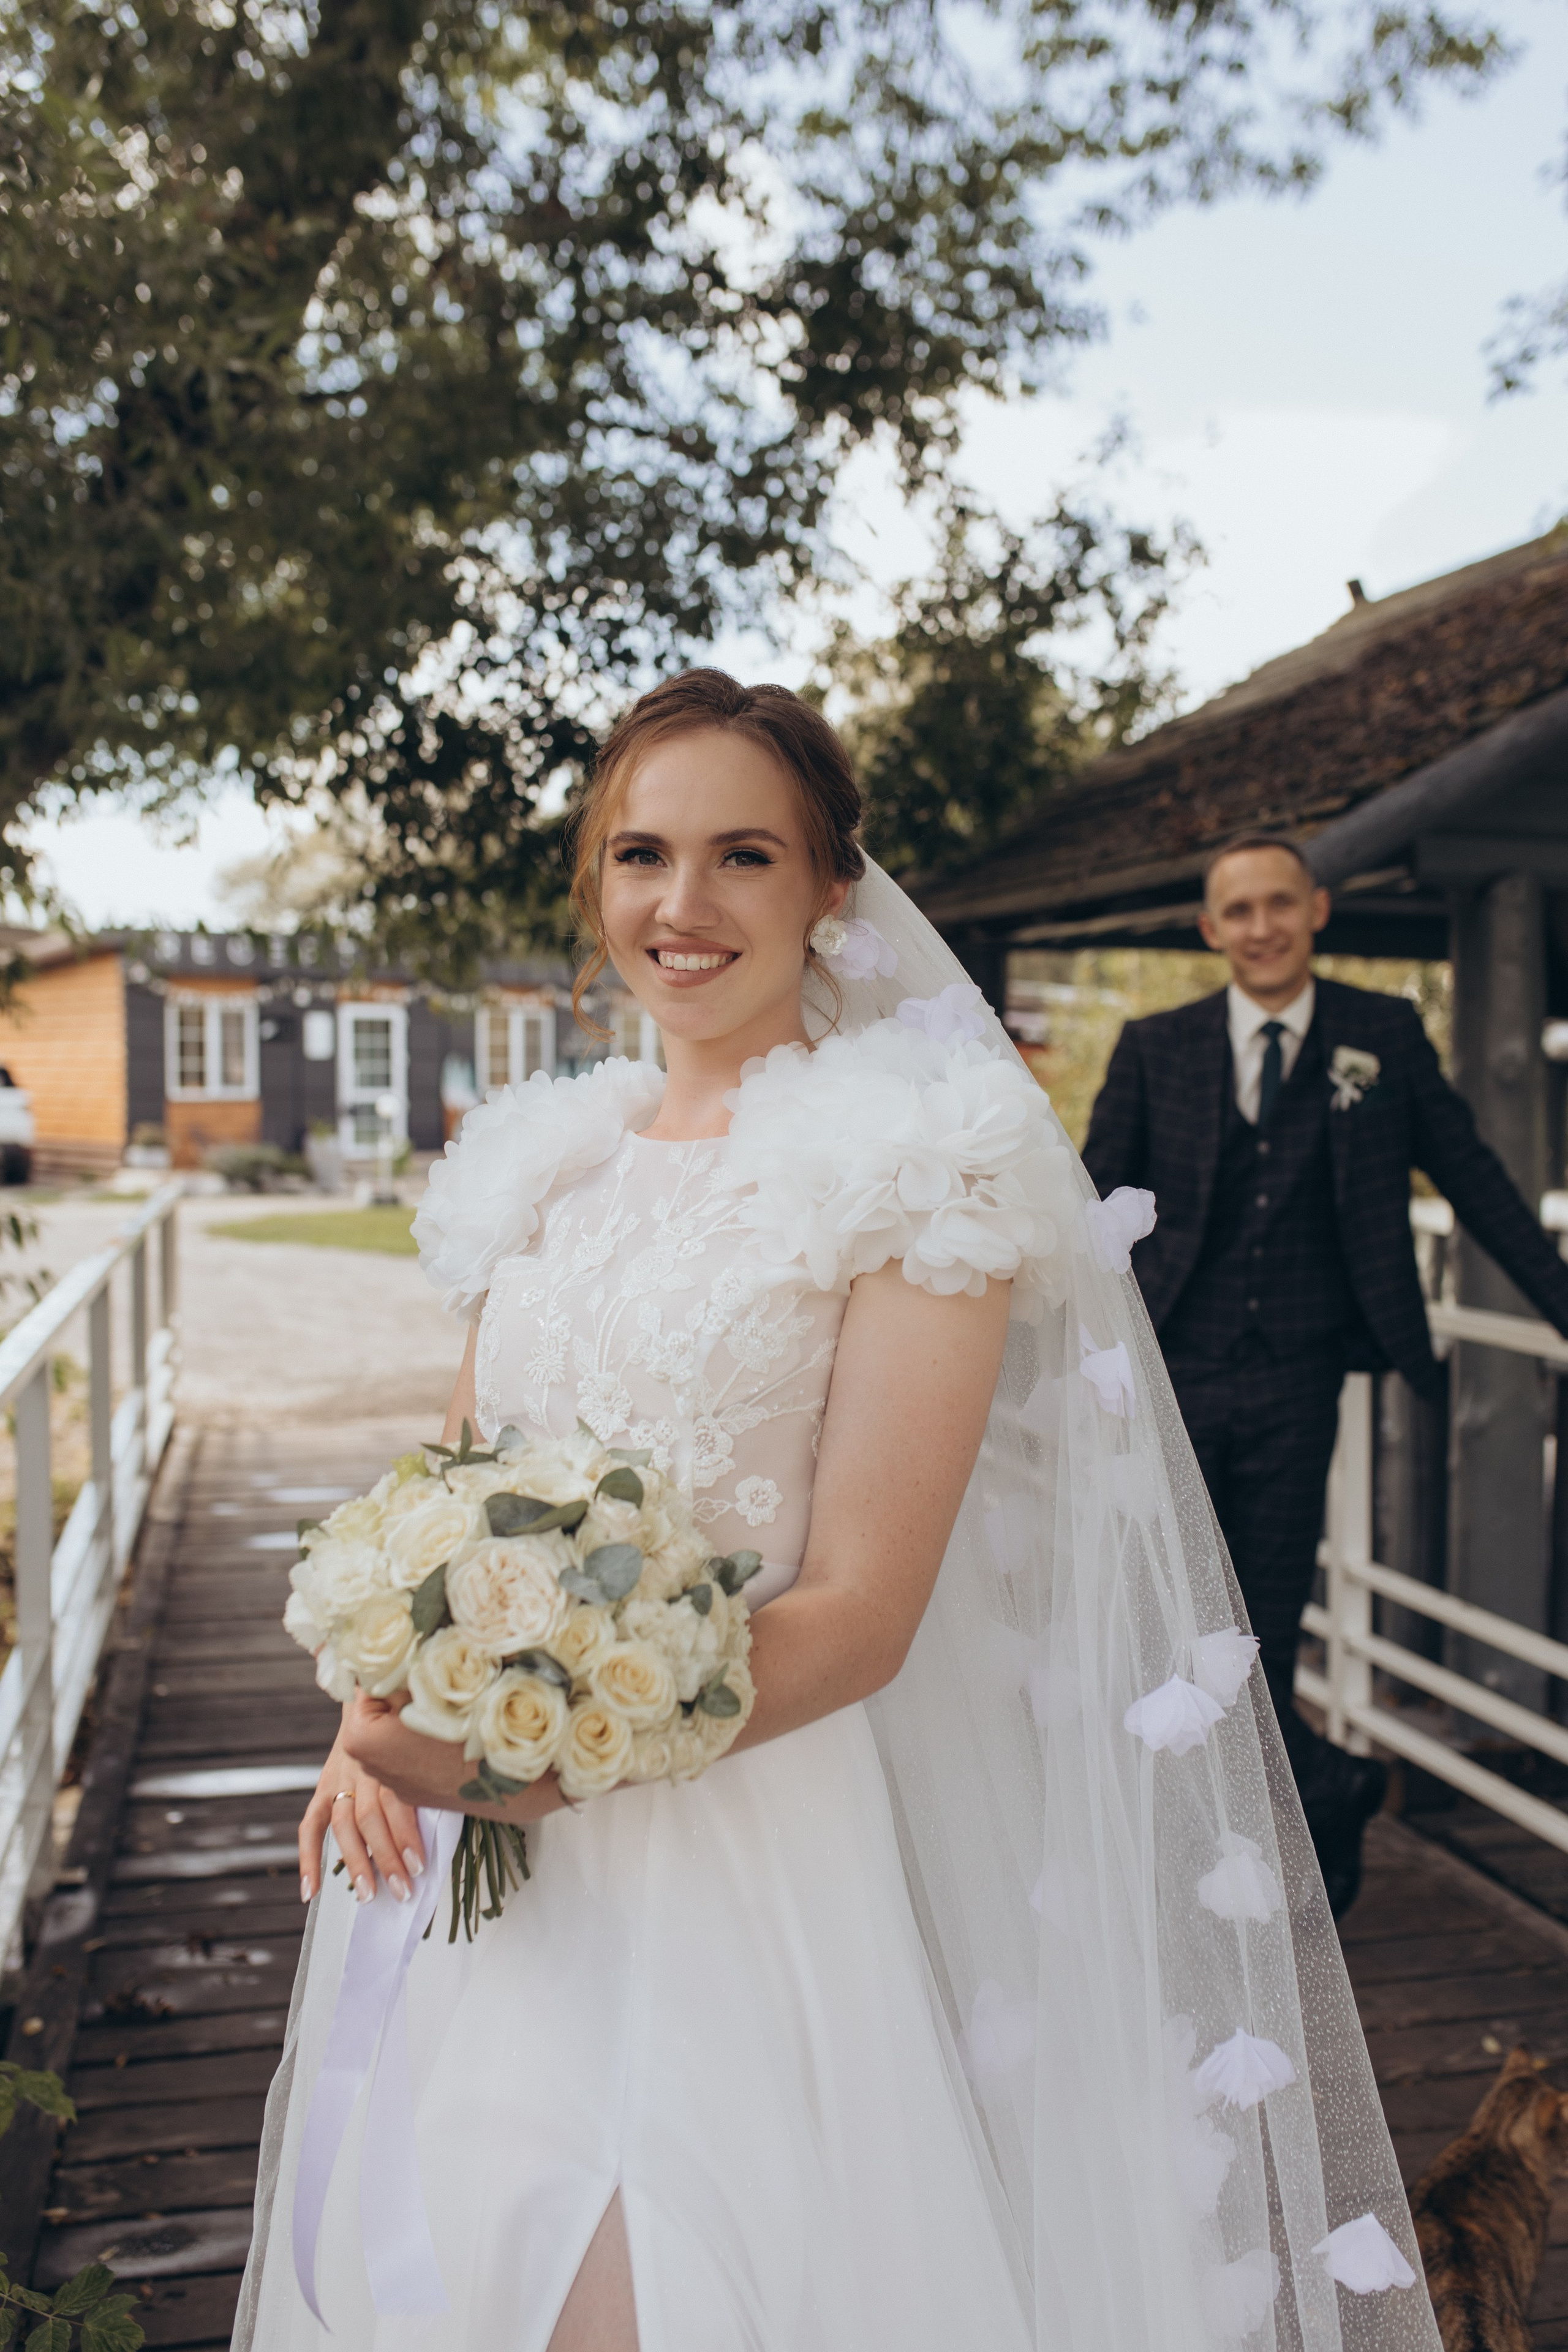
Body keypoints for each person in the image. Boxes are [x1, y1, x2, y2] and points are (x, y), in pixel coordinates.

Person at [235, 687, 1439, 2352]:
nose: (686, 904)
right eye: (644, 855)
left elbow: (864, 1614)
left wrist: (532, 1762)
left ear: (829, 892)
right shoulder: (544, 1170)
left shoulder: (920, 1173)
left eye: (745, 854)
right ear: (596, 888)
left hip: (745, 1866)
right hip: (473, 1863)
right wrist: (368, 1723)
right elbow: (445, 1501)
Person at [1083, 832, 1568, 1916]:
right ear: (1211, 930)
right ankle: (1328, 1785)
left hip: (1301, 1383)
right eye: (1238, 911)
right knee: (1162, 1620)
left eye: (1278, 904)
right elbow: (1089, 1213)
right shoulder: (1156, 1047)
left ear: (1317, 910)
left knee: (1263, 1625)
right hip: (1174, 1376)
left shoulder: (1378, 1035)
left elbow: (1477, 1181)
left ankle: (1246, 1862)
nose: (1260, 927)